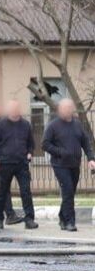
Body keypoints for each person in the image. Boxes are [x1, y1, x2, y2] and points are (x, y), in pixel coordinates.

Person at [42, 97, 95, 232]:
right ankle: (70, 222)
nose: (68, 110)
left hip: (74, 164)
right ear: (60, 110)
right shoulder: (53, 125)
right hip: (60, 164)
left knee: (70, 193)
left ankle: (62, 216)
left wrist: (91, 158)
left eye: (70, 107)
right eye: (65, 108)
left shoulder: (77, 124)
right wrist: (60, 152)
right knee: (68, 190)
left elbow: (85, 142)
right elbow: (45, 144)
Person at [0, 98, 36, 230]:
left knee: (26, 191)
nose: (15, 110)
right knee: (3, 192)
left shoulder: (26, 125)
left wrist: (30, 153)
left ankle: (29, 219)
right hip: (5, 164)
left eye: (17, 108)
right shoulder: (0, 125)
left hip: (22, 163)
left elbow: (31, 144)